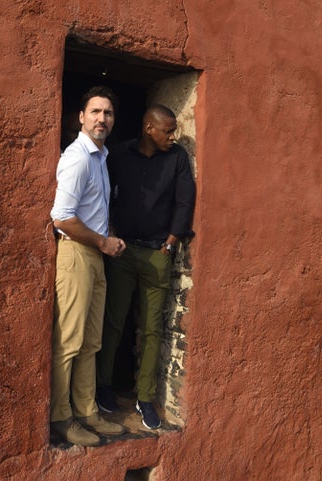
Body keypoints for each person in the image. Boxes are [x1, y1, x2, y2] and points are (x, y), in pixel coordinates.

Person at [95, 104, 196, 429]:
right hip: (122, 250)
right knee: (114, 321)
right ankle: (103, 386)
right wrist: (109, 232)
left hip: (157, 254)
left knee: (153, 329)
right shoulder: (119, 154)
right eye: (168, 130)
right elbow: (104, 194)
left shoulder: (177, 157)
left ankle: (145, 397)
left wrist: (170, 243)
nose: (173, 136)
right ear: (149, 129)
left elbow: (185, 200)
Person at [49, 86, 127, 447]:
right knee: (70, 340)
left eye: (107, 113)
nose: (102, 119)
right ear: (81, 117)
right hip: (77, 253)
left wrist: (108, 234)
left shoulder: (100, 157)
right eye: (95, 111)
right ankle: (62, 417)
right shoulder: (79, 157)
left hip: (94, 254)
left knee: (91, 341)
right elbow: (62, 217)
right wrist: (101, 241)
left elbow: (90, 211)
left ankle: (86, 411)